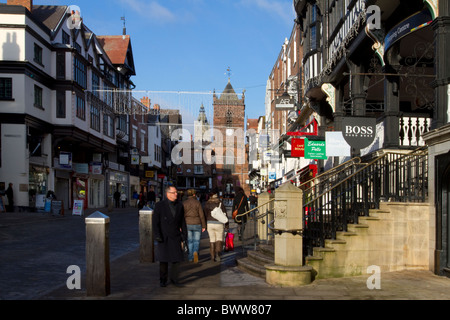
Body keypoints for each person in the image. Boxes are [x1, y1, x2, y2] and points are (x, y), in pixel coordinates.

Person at [152, 185, 187, 287]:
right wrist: (157, 235)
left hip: (175, 236)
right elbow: (155, 222)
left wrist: (184, 234)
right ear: (168, 194)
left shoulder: (180, 205)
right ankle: (163, 279)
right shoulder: (160, 205)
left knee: (176, 259)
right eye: (174, 192)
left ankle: (174, 279)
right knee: (164, 260)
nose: (176, 194)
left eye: (176, 192)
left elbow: (182, 222)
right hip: (164, 236)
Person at [182, 189, 206, 263]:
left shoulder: (184, 203)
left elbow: (181, 215)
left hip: (187, 224)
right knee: (196, 241)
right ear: (194, 195)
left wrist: (181, 225)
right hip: (197, 223)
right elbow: (201, 215)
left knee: (190, 241)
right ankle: (195, 253)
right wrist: (204, 226)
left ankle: (190, 257)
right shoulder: (197, 203)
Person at [203, 192, 227, 262]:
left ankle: (212, 256)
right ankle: (218, 254)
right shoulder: (220, 203)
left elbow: (205, 215)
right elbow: (224, 214)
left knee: (212, 239)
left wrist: (204, 225)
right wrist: (227, 225)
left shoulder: (207, 204)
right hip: (219, 223)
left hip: (210, 223)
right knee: (219, 239)